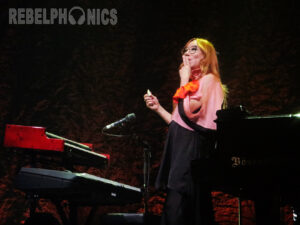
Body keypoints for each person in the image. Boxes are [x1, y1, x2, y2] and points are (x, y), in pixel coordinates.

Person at [144, 38, 227, 225]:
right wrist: (158, 109)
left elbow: (189, 114)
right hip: (180, 144)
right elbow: (177, 121)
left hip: (192, 147)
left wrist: (183, 79)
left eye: (194, 49)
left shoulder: (209, 81)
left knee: (180, 199)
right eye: (185, 50)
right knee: (183, 200)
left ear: (206, 57)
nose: (187, 53)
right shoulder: (191, 85)